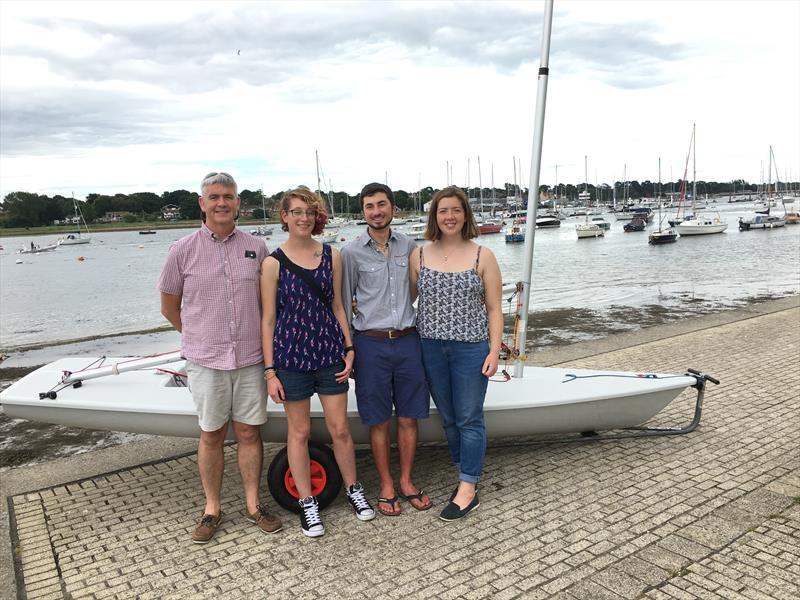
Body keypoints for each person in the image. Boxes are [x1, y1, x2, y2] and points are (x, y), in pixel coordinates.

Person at [158, 171, 282, 544]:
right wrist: (197, 336)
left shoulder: (256, 248)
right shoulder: (182, 249)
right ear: (203, 203)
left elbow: (268, 305)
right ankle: (212, 508)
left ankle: (252, 504)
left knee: (248, 432)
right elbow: (169, 306)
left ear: (238, 203)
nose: (222, 203)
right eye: (214, 197)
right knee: (211, 433)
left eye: (228, 196)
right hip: (206, 359)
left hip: (249, 358)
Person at [261, 186, 375, 538]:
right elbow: (268, 319)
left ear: (316, 217)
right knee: (300, 432)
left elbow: (338, 306)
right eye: (296, 212)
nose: (303, 218)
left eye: (309, 212)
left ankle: (354, 489)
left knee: (340, 429)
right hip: (291, 358)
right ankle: (307, 502)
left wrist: (350, 346)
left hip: (329, 354)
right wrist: (269, 372)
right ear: (285, 217)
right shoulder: (272, 263)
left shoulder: (332, 256)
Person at [409, 185, 503, 522]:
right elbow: (404, 302)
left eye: (456, 210)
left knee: (469, 417)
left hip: (471, 349)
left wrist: (494, 350)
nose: (449, 216)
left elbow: (494, 309)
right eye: (443, 210)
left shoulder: (483, 256)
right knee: (448, 419)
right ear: (434, 216)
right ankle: (466, 473)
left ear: (466, 215)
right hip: (430, 347)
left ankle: (467, 488)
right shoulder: (419, 255)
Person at [341, 183, 432, 517]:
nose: (376, 211)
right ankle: (386, 484)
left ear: (393, 208)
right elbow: (343, 305)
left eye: (382, 204)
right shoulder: (350, 253)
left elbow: (425, 288)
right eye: (369, 206)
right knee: (378, 421)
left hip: (408, 340)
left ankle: (407, 481)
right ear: (362, 212)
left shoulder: (410, 247)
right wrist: (349, 347)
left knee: (409, 417)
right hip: (371, 343)